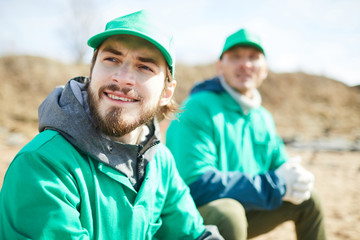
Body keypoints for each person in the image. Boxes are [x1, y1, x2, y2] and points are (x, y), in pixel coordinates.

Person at [0, 10, 224, 240]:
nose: (123, 77)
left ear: (166, 93)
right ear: (92, 71)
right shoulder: (43, 164)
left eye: (145, 67)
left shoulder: (160, 162)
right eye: (112, 60)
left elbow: (194, 234)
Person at [166, 28, 327, 240]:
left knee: (309, 200)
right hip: (194, 217)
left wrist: (295, 176)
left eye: (253, 57)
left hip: (245, 212)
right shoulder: (197, 107)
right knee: (229, 212)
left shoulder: (262, 117)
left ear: (265, 69)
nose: (245, 64)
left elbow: (278, 166)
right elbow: (196, 185)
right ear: (220, 66)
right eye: (235, 57)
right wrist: (275, 184)